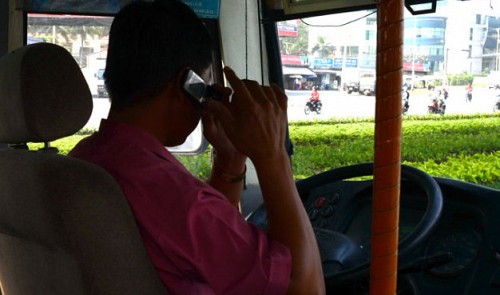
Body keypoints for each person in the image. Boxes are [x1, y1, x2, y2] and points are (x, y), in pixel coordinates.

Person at [69, 1, 325, 295]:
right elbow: (305, 288)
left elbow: (202, 244)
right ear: (186, 84)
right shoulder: (166, 191)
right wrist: (273, 157)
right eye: (203, 89)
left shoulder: (87, 157)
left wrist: (231, 158)